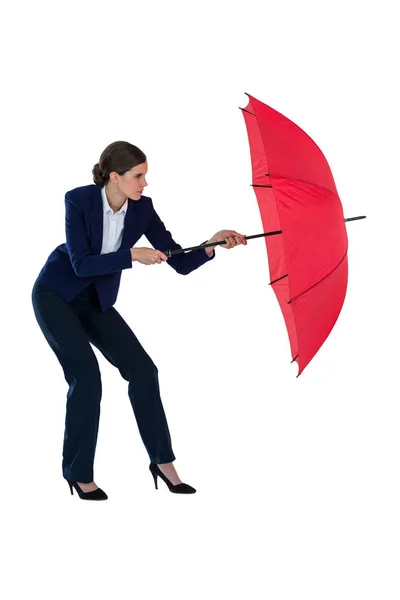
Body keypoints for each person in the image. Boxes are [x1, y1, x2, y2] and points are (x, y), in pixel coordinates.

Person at [31, 140, 247, 501]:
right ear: (114, 177)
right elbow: (80, 264)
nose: (144, 184)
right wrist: (130, 254)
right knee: (86, 378)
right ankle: (78, 472)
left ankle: (162, 462)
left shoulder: (142, 209)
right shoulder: (79, 200)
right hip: (57, 295)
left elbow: (177, 261)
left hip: (95, 301)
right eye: (138, 176)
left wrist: (210, 244)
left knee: (144, 371)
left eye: (145, 176)